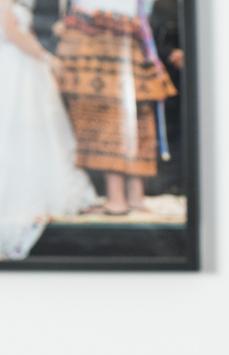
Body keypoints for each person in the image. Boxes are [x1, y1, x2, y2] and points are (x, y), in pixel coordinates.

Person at [54, 0, 177, 216]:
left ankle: (118, 199)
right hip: (127, 36)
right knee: (130, 116)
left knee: (108, 117)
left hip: (101, 37)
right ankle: (133, 196)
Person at [0, 0, 96, 260]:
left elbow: (25, 33)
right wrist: (45, 57)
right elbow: (11, 32)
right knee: (14, 130)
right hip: (11, 66)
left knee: (37, 130)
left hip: (25, 65)